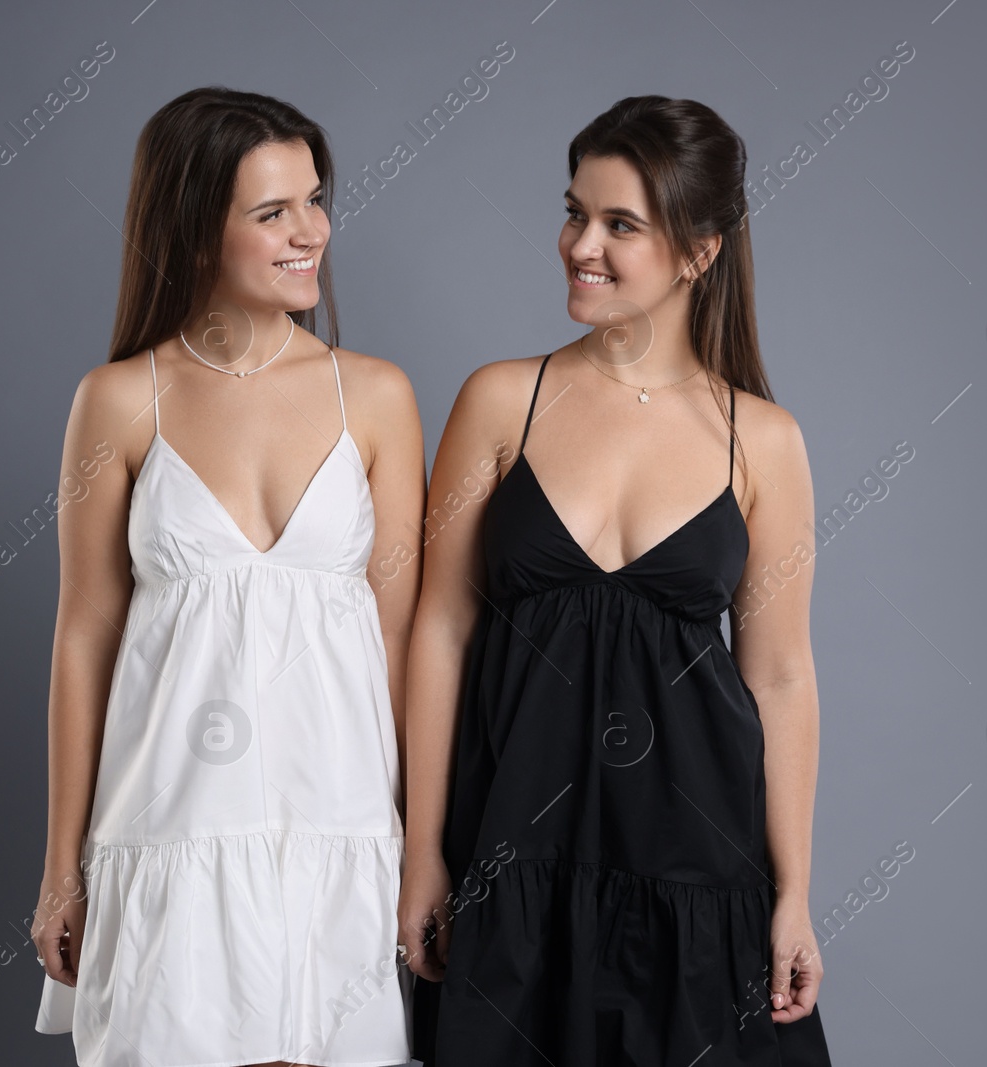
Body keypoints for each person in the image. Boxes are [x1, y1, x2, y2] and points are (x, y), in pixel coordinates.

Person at [399, 96, 833, 1065]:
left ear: (699, 251)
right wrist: (420, 845)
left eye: (618, 225)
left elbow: (779, 676)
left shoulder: (762, 441)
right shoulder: (500, 400)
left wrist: (794, 888)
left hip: (694, 866)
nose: (577, 243)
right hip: (510, 855)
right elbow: (438, 630)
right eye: (573, 212)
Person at [30, 86, 426, 1067]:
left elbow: (401, 636)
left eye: (314, 198)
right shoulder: (118, 400)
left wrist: (422, 846)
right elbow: (84, 633)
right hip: (170, 823)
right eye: (272, 211)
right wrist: (58, 866)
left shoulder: (375, 395)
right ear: (197, 231)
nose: (312, 231)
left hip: (338, 822)